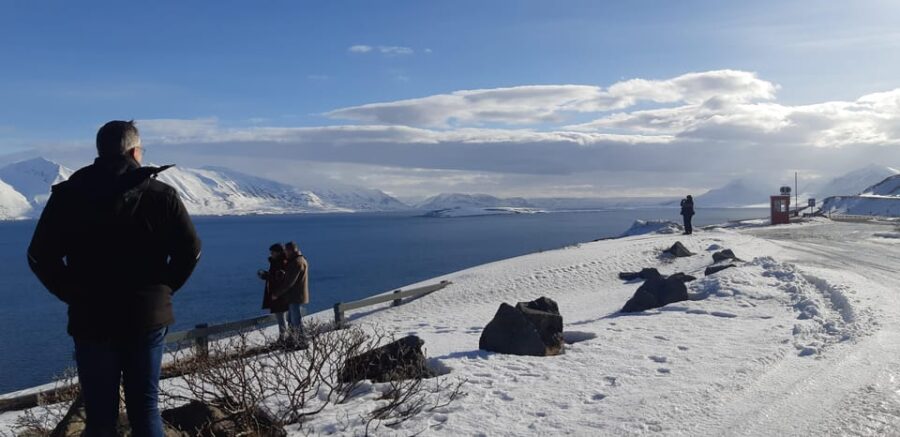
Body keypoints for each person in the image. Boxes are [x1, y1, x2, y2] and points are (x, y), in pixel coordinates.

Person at [27, 120, 201, 437]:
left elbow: (39, 256)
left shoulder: (68, 195)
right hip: (147, 315)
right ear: (135, 151)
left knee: (99, 416)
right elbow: (191, 251)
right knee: (145, 409)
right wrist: (164, 288)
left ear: (100, 151)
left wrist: (71, 292)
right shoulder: (162, 195)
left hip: (91, 316)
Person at [270, 241, 309, 348]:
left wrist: (277, 293)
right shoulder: (299, 260)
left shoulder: (297, 262)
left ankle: (302, 342)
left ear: (291, 251)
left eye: (286, 251)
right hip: (295, 296)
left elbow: (289, 282)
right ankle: (293, 340)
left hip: (295, 296)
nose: (285, 253)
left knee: (296, 321)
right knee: (291, 320)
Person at [259, 243, 290, 342]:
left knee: (281, 317)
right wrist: (267, 275)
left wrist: (266, 276)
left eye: (273, 252)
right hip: (280, 294)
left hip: (278, 294)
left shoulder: (280, 263)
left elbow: (279, 278)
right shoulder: (280, 262)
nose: (271, 254)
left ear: (278, 252)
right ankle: (286, 337)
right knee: (283, 316)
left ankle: (283, 338)